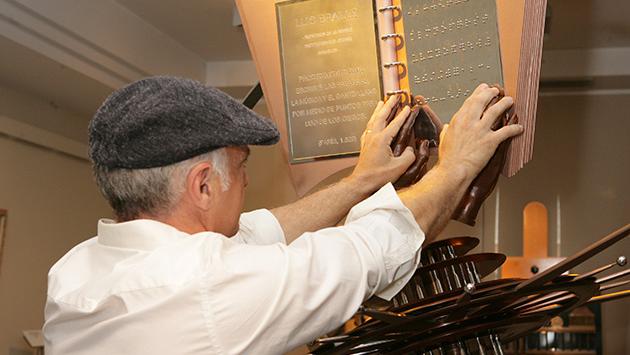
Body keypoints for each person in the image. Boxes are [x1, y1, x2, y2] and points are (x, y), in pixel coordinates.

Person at [43, 76, 521, 354]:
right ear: (203, 186)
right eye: (242, 166)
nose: (247, 181)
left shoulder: (78, 269)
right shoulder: (205, 290)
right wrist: (457, 166)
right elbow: (369, 251)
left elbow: (255, 235)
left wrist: (361, 180)